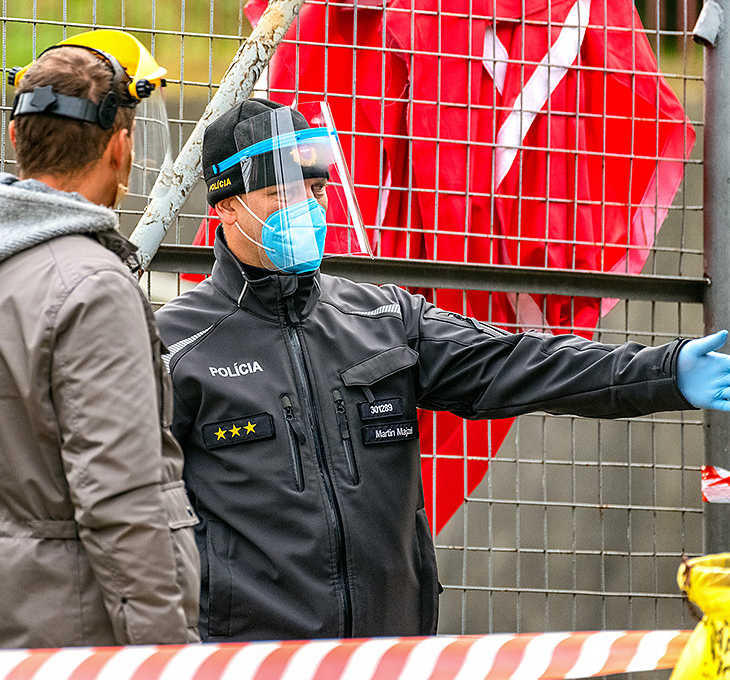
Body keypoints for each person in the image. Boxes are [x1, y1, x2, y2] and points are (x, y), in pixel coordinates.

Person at [154, 97, 730, 642]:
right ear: (226, 206)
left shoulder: (383, 319)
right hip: (250, 660)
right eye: (282, 192)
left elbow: (521, 362)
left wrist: (664, 371)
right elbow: (132, 516)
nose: (307, 208)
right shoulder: (175, 346)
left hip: (392, 655)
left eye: (316, 188)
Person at [0, 30, 199, 651]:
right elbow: (123, 502)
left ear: (17, 137)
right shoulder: (94, 288)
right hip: (85, 647)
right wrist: (165, 658)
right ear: (120, 147)